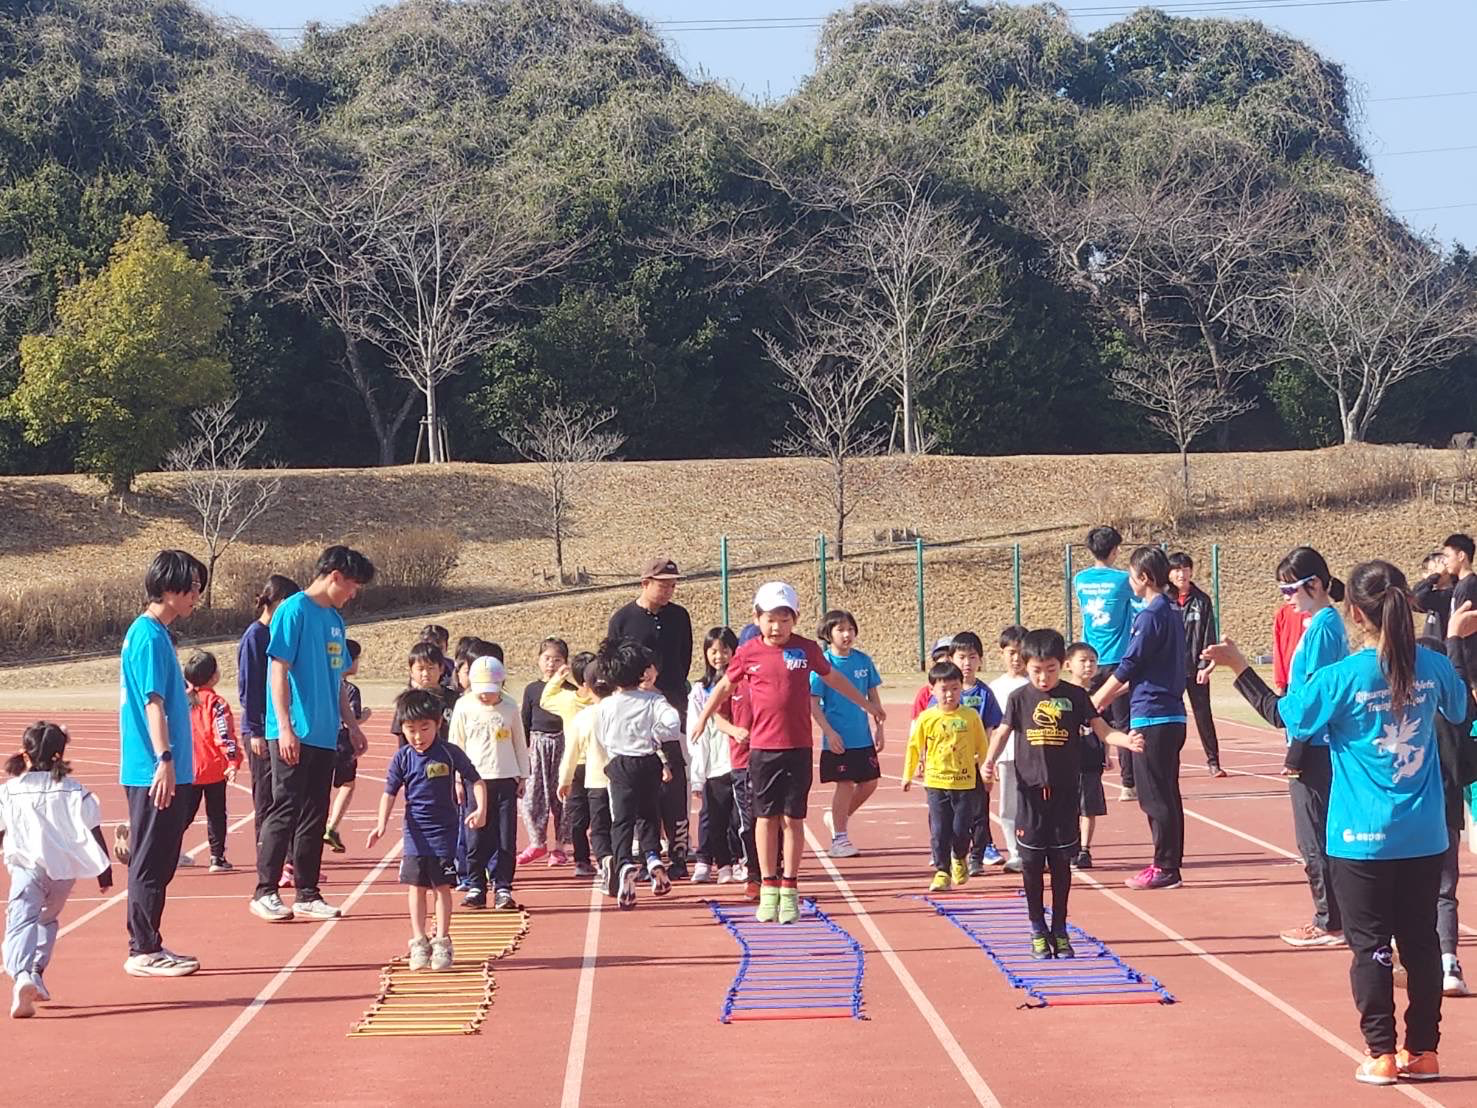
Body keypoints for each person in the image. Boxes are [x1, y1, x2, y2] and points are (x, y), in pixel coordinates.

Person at [1203, 562, 1476, 1085]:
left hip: (1360, 839)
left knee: (1371, 947)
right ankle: (1424, 1050)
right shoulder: (1435, 666)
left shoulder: (1342, 677)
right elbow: (1462, 711)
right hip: (1424, 834)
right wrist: (1455, 645)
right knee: (1420, 943)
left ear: (1354, 612)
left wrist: (1239, 667)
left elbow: (1285, 716)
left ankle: (1381, 1053)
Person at [691, 582, 885, 925]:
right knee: (765, 819)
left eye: (784, 619)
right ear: (757, 618)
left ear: (795, 619)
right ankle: (768, 886)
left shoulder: (806, 649)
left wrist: (867, 704)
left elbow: (834, 679)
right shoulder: (748, 652)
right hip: (762, 750)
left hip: (798, 748)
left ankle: (789, 887)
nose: (776, 627)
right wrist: (704, 717)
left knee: (793, 819)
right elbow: (724, 686)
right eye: (770, 619)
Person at [985, 630, 1142, 958]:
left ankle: (1059, 928)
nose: (1043, 677)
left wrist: (1125, 740)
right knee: (1031, 865)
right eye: (1036, 670)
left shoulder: (1075, 696)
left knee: (1060, 864)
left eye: (1051, 670)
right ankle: (1036, 928)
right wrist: (988, 761)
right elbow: (1002, 733)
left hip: (1066, 793)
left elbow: (1102, 729)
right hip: (1030, 794)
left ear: (1062, 665)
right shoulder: (1019, 698)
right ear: (1026, 666)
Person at [249, 545, 374, 924]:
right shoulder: (293, 610)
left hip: (323, 734)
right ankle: (265, 891)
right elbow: (278, 670)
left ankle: (307, 893)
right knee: (284, 809)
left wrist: (351, 726)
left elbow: (337, 681)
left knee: (314, 815)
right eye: (352, 585)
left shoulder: (335, 620)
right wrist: (284, 726)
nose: (353, 594)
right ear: (335, 576)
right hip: (293, 732)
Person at [119, 549, 207, 976]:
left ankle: (150, 942)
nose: (196, 596)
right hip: (152, 769)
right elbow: (152, 703)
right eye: (192, 588)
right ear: (170, 587)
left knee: (161, 859)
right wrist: (164, 758)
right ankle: (142, 949)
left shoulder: (157, 634)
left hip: (164, 766)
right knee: (152, 862)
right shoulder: (149, 636)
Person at [1265, 547, 1351, 948]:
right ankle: (1334, 915)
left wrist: (1296, 748)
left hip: (1315, 745)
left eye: (1290, 589)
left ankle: (1328, 919)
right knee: (1315, 834)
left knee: (1313, 837)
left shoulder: (1323, 628)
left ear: (1314, 584)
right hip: (1312, 740)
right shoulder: (1318, 624)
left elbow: (1316, 696)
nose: (1286, 598)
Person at [1092, 545, 1188, 892]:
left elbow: (1130, 664)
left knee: (1154, 796)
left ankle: (1165, 866)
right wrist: (1105, 699)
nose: (1129, 582)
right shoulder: (1172, 611)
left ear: (1144, 578)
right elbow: (1143, 669)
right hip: (1171, 715)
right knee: (1166, 793)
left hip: (1153, 717)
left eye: (1131, 576)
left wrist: (1096, 700)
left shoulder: (1151, 615)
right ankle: (1168, 864)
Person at [369, 688, 487, 970]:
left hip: (444, 831)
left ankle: (442, 941)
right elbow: (389, 792)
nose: (418, 736)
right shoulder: (402, 758)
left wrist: (481, 809)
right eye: (411, 730)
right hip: (415, 833)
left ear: (438, 724)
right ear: (402, 728)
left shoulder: (449, 753)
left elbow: (476, 781)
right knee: (416, 886)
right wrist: (381, 823)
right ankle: (419, 941)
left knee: (442, 886)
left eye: (425, 728)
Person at [2, 722, 113, 1017]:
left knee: (20, 923)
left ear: (25, 754)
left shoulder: (9, 791)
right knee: (47, 920)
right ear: (60, 755)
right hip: (63, 874)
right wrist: (104, 871)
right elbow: (93, 830)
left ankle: (22, 975)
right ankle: (36, 972)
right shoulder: (75, 790)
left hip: (27, 870)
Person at [607, 556, 694, 878]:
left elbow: (684, 658)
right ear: (645, 583)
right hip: (635, 712)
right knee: (644, 788)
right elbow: (615, 663)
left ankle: (679, 852)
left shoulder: (679, 616)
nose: (669, 590)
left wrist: (667, 689)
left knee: (675, 781)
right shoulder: (623, 619)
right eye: (663, 584)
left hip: (671, 705)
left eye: (673, 584)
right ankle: (646, 853)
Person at [595, 638, 681, 909]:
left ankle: (623, 863)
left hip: (620, 764)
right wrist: (656, 734)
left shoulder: (606, 705)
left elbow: (601, 736)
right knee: (648, 814)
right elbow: (673, 723)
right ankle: (653, 856)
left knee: (622, 819)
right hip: (648, 762)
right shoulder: (654, 699)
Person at [1419, 636, 1477, 997]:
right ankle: (1448, 963)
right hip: (1446, 814)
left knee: (1404, 889)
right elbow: (1466, 769)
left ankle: (1401, 956)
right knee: (1444, 892)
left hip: (1409, 815)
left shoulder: (1406, 711)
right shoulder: (1455, 714)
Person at [448, 656, 528, 911]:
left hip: (505, 778)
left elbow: (519, 742)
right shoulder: (463, 706)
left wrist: (523, 775)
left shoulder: (510, 707)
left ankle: (502, 886)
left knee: (505, 836)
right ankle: (476, 885)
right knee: (475, 836)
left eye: (491, 691)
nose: (485, 696)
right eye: (481, 691)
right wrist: (457, 779)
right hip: (475, 781)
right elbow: (456, 743)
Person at [903, 661, 989, 892]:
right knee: (940, 829)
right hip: (936, 782)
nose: (949, 694)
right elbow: (914, 746)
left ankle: (959, 857)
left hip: (965, 783)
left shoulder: (970, 716)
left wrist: (986, 770)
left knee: (961, 828)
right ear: (932, 690)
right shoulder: (926, 718)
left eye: (955, 688)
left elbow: (982, 746)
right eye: (944, 689)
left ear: (961, 688)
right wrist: (907, 774)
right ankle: (942, 871)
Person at [810, 610, 884, 859]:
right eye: (840, 629)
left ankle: (836, 819)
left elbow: (873, 697)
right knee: (844, 784)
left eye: (850, 629)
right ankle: (839, 839)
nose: (847, 634)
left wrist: (880, 729)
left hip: (862, 735)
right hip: (839, 737)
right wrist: (829, 733)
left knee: (869, 783)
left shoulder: (863, 661)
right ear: (828, 634)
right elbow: (813, 703)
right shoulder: (823, 664)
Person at [1073, 526, 1138, 799]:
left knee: (1087, 718)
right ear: (1114, 551)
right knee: (1123, 722)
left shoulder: (1080, 579)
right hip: (1116, 661)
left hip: (1088, 660)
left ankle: (1085, 773)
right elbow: (1140, 600)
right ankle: (1128, 784)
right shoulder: (1123, 580)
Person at [237, 574, 300, 847]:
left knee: (283, 794)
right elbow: (248, 687)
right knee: (265, 796)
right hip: (261, 729)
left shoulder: (279, 634)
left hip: (278, 727)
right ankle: (266, 852)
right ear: (281, 602)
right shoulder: (255, 636)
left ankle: (285, 853)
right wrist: (255, 731)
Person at [690, 627, 743, 883]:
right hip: (714, 764)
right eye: (713, 651)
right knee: (713, 816)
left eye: (724, 650)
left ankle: (739, 860)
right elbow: (696, 734)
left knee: (738, 817)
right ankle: (717, 863)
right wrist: (697, 774)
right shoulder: (700, 690)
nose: (719, 656)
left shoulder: (743, 684)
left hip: (739, 760)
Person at [183, 650, 242, 874]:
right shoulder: (216, 703)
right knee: (216, 814)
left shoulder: (182, 702)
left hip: (188, 768)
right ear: (213, 676)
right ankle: (217, 857)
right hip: (214, 769)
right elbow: (223, 734)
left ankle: (166, 848)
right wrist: (232, 760)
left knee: (184, 814)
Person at [557, 657, 614, 885]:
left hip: (596, 780)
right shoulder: (623, 711)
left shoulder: (583, 717)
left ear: (587, 687)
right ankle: (620, 860)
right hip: (622, 780)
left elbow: (570, 753)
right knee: (616, 823)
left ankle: (606, 861)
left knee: (598, 827)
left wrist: (564, 780)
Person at [1168, 552, 1224, 777]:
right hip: (1170, 671)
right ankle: (1170, 763)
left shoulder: (1202, 600)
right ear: (1169, 574)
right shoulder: (1163, 601)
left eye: (1185, 569)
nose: (1181, 574)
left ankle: (1213, 762)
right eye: (1176, 570)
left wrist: (1206, 666)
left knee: (1203, 715)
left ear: (1191, 571)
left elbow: (1209, 635)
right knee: (1171, 718)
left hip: (1195, 669)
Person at [542, 651, 598, 877]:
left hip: (578, 766)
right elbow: (545, 700)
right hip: (592, 766)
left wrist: (558, 677)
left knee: (581, 816)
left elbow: (546, 698)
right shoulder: (601, 701)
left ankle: (584, 860)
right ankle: (599, 857)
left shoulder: (567, 699)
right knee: (595, 813)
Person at [519, 637, 571, 867]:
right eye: (547, 658)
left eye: (557, 659)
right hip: (537, 747)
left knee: (563, 798)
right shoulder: (532, 689)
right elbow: (524, 722)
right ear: (538, 660)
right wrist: (522, 755)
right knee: (532, 798)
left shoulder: (570, 689)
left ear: (565, 663)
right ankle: (537, 842)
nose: (551, 664)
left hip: (563, 746)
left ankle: (560, 846)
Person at [987, 626, 1030, 874]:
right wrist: (990, 758)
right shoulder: (995, 687)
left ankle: (1036, 850)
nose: (1016, 658)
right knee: (1008, 806)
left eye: (1021, 652)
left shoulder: (1035, 684)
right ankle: (1016, 853)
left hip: (1034, 755)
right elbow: (993, 726)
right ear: (1001, 653)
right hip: (1006, 756)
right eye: (1011, 652)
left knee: (1034, 804)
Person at [1062, 642, 1107, 869]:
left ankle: (1084, 849)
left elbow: (1105, 727)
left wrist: (1106, 753)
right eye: (1083, 660)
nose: (1088, 665)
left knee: (1089, 807)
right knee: (1067, 806)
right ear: (1068, 664)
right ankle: (1069, 845)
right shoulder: (1062, 695)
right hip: (1066, 760)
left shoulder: (1101, 694)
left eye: (1092, 661)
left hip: (1091, 758)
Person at [324, 640, 369, 855]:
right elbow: (350, 719)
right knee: (348, 785)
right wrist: (365, 717)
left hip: (323, 741)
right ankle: (332, 826)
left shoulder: (324, 683)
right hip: (343, 743)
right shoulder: (350, 689)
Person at [390, 642, 457, 748]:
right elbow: (402, 738)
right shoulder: (406, 701)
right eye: (420, 669)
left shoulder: (454, 699)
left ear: (441, 669)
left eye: (431, 668)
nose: (425, 673)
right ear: (411, 671)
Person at [1413, 552, 1454, 641]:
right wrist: (1431, 579)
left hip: (1443, 647)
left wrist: (1435, 576)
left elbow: (1419, 598)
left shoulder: (1450, 594)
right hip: (1431, 646)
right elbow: (1413, 601)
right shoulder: (1433, 593)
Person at [912, 637, 957, 719]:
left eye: (950, 656)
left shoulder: (968, 691)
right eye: (941, 664)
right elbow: (916, 722)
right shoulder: (925, 693)